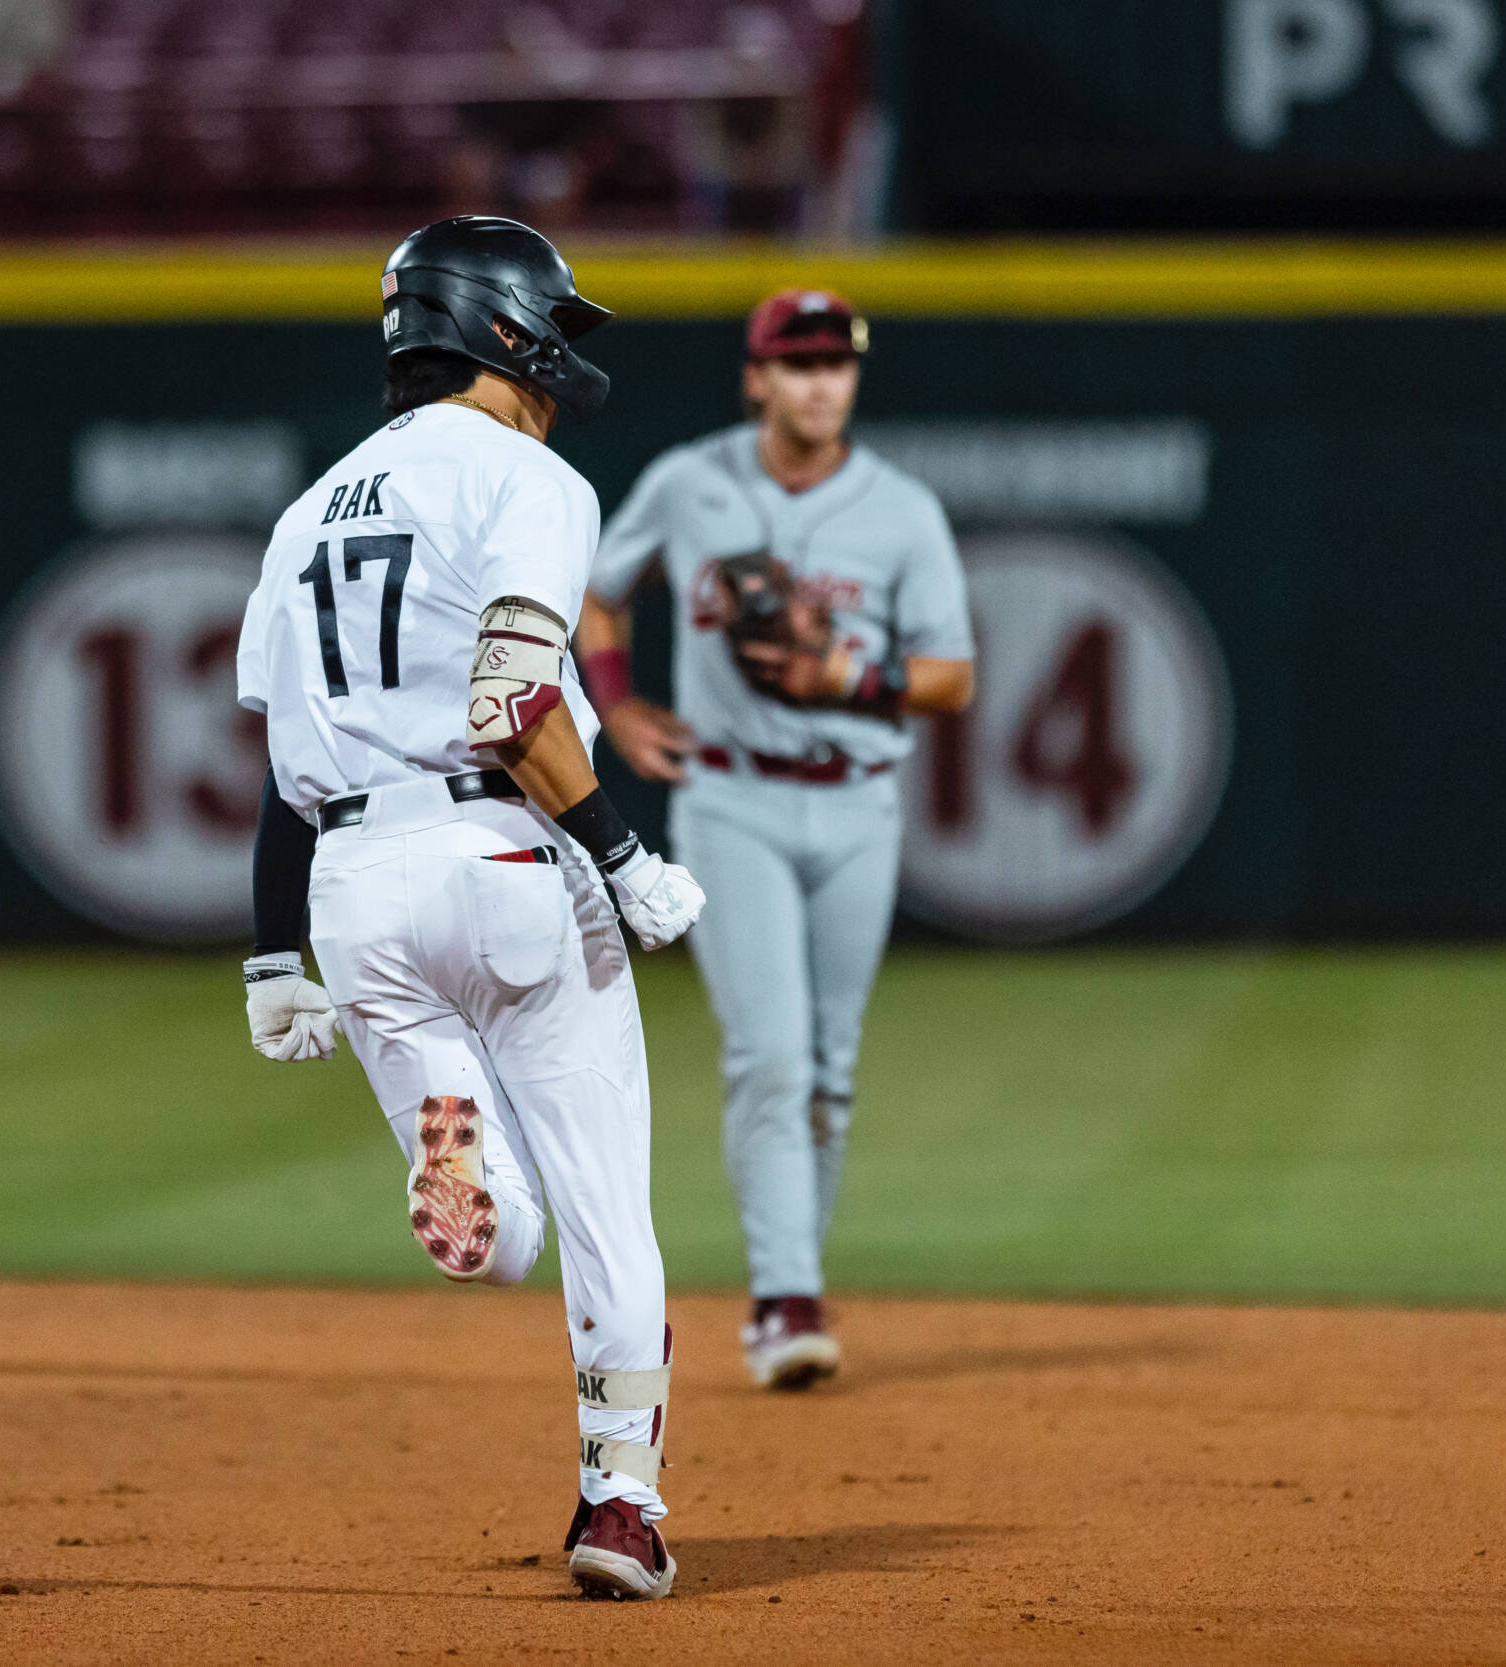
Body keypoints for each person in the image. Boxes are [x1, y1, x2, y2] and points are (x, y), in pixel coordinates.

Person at [234, 217, 706, 1601]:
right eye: (554, 322)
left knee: (502, 1235)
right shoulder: (526, 476)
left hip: (350, 885)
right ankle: (620, 1504)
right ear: (504, 328)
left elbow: (285, 760)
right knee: (607, 1202)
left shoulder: (308, 511)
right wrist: (624, 853)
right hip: (504, 857)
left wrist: (269, 952)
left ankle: (474, 1187)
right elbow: (511, 704)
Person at [577, 289, 975, 1390]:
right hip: (731, 799)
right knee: (772, 1053)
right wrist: (616, 704)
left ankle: (791, 1280)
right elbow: (598, 597)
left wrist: (842, 672)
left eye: (835, 363)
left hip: (857, 801)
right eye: (796, 363)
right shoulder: (689, 482)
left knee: (828, 1069)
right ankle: (784, 1300)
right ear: (756, 378)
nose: (819, 382)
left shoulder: (901, 510)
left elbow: (952, 677)